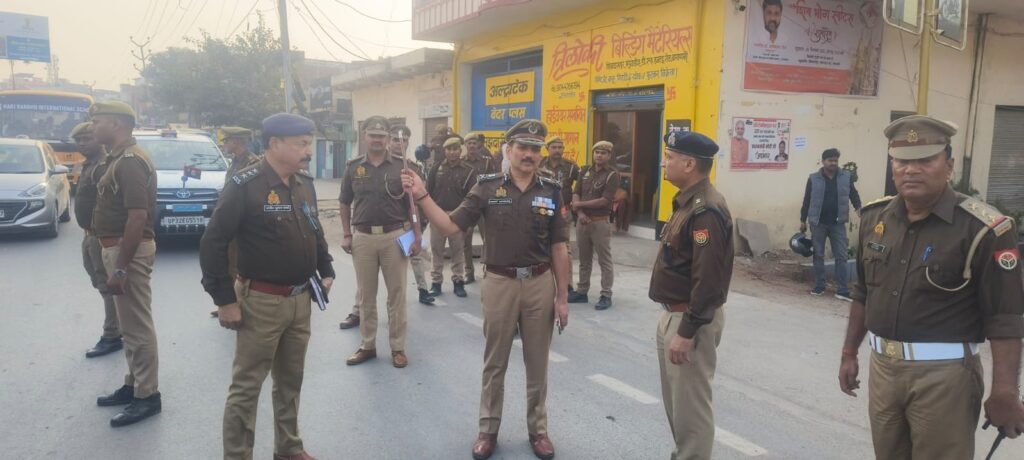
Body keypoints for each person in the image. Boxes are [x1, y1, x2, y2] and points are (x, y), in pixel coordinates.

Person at [838, 115, 1024, 459]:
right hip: (883, 370)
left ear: (949, 166)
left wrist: (1005, 391)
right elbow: (863, 292)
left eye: (925, 160)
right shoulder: (874, 218)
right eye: (902, 161)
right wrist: (849, 353)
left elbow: (1005, 318)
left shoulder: (984, 229)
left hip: (945, 378)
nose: (911, 170)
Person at [402, 119, 570, 460]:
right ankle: (488, 429)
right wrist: (421, 195)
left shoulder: (552, 191)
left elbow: (559, 247)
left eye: (535, 149)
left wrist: (562, 297)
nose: (529, 154)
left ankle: (538, 430)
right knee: (495, 362)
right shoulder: (487, 187)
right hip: (499, 282)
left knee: (538, 362)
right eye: (522, 147)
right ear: (508, 150)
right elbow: (451, 225)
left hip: (539, 283)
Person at [200, 113, 333, 460]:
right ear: (274, 144)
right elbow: (213, 242)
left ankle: (288, 447)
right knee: (247, 387)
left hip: (300, 299)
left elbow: (313, 228)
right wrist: (225, 300)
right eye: (301, 144)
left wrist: (326, 268)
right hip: (261, 301)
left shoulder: (303, 183)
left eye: (309, 143)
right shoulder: (245, 185)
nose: (308, 151)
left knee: (291, 380)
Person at [650, 130, 733, 460]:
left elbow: (708, 281)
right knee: (679, 409)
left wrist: (686, 332)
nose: (664, 163)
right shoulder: (687, 202)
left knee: (691, 414)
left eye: (669, 158)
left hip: (690, 319)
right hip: (675, 314)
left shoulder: (705, 211)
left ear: (689, 165)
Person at [89, 101, 161, 427]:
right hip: (117, 249)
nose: (93, 128)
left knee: (137, 326)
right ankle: (134, 385)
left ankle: (147, 396)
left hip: (127, 252)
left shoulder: (131, 162)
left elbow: (137, 217)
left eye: (98, 122)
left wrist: (120, 266)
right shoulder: (118, 158)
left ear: (116, 124)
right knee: (129, 326)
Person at [339, 116, 420, 368]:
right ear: (364, 137)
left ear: (388, 139)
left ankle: (398, 348)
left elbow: (413, 205)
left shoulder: (403, 167)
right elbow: (344, 202)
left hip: (395, 235)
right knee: (366, 296)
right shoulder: (353, 167)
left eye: (381, 136)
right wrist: (347, 234)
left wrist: (417, 236)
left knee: (397, 295)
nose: (377, 140)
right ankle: (367, 346)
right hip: (363, 237)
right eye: (372, 135)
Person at [72, 122, 122, 358]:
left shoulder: (103, 166)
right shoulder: (89, 164)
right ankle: (119, 325)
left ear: (98, 140)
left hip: (101, 237)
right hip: (89, 234)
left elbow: (112, 204)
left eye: (87, 139)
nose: (82, 144)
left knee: (107, 285)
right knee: (99, 282)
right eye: (78, 140)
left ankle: (112, 335)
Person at [211, 126, 263, 318]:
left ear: (237, 141)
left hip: (244, 223)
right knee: (230, 263)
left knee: (244, 265)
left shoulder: (253, 163)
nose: (224, 144)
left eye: (226, 140)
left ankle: (245, 303)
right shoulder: (234, 162)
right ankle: (230, 302)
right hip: (232, 220)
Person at [799, 148, 862, 301]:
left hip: (837, 223)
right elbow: (807, 199)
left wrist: (858, 208)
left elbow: (853, 194)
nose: (833, 163)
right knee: (818, 255)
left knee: (841, 255)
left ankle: (842, 290)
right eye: (830, 160)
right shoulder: (813, 178)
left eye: (835, 160)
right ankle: (820, 286)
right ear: (823, 161)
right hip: (818, 223)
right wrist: (802, 220)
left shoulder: (846, 177)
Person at [568, 141, 620, 310]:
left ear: (609, 155)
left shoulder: (612, 175)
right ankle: (582, 291)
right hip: (582, 221)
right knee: (584, 259)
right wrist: (580, 213)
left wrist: (578, 205)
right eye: (597, 152)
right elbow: (576, 192)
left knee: (604, 260)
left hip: (600, 222)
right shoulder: (584, 171)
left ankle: (606, 294)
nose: (599, 155)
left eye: (603, 153)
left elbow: (604, 200)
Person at [427, 136, 476, 298]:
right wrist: (429, 215)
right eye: (449, 149)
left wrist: (469, 222)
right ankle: (436, 283)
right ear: (445, 151)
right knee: (436, 250)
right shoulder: (436, 168)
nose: (452, 152)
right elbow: (428, 192)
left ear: (460, 150)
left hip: (458, 217)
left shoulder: (469, 171)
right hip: (438, 216)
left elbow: (472, 198)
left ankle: (458, 282)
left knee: (458, 251)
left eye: (455, 149)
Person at [538, 136, 580, 295]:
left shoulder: (571, 167)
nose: (557, 150)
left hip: (563, 211)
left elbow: (581, 187)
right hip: (541, 209)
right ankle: (544, 282)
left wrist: (577, 204)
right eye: (554, 147)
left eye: (560, 147)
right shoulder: (539, 164)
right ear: (547, 149)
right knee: (541, 244)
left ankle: (567, 284)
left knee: (564, 247)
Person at [461, 132, 500, 284]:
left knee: (488, 240)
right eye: (469, 143)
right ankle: (468, 272)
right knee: (466, 242)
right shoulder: (461, 162)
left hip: (484, 207)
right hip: (468, 207)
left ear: (478, 144)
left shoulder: (486, 162)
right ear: (465, 145)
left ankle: (488, 270)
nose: (472, 146)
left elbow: (494, 182)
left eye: (474, 143)